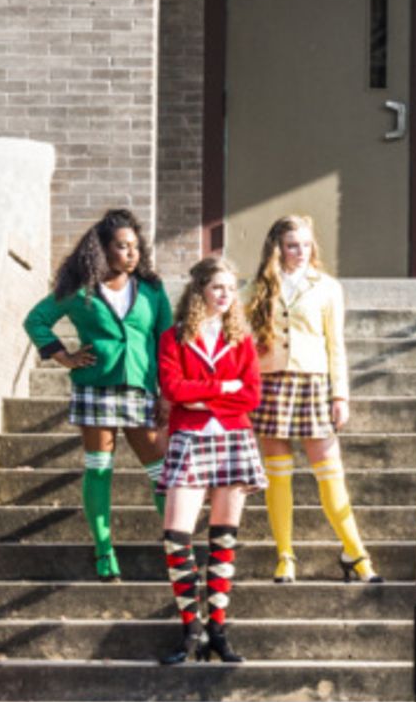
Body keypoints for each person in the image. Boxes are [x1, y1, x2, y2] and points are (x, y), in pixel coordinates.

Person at [23, 209, 172, 581]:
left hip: (141, 390)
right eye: (122, 247)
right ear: (103, 249)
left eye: (135, 247)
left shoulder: (152, 290)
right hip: (95, 389)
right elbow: (36, 320)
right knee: (99, 469)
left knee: (161, 471)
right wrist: (64, 357)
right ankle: (104, 551)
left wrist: (167, 393)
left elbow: (166, 341)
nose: (131, 254)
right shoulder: (79, 290)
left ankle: (176, 543)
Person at [245, 215, 381, 585]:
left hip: (313, 383)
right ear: (278, 248)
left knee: (329, 470)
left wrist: (341, 394)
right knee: (278, 475)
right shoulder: (257, 287)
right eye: (292, 245)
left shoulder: (327, 287)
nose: (300, 252)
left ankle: (356, 551)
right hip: (270, 383)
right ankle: (285, 555)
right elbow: (243, 342)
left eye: (306, 245)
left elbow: (335, 343)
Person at [156, 256, 264, 665]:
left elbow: (251, 395)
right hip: (190, 438)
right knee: (176, 535)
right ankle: (191, 629)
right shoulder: (174, 338)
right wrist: (222, 386)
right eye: (218, 286)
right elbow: (173, 387)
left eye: (231, 288)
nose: (225, 295)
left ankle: (217, 630)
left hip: (235, 437)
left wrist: (202, 394)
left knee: (223, 537)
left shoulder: (243, 339)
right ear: (199, 289)